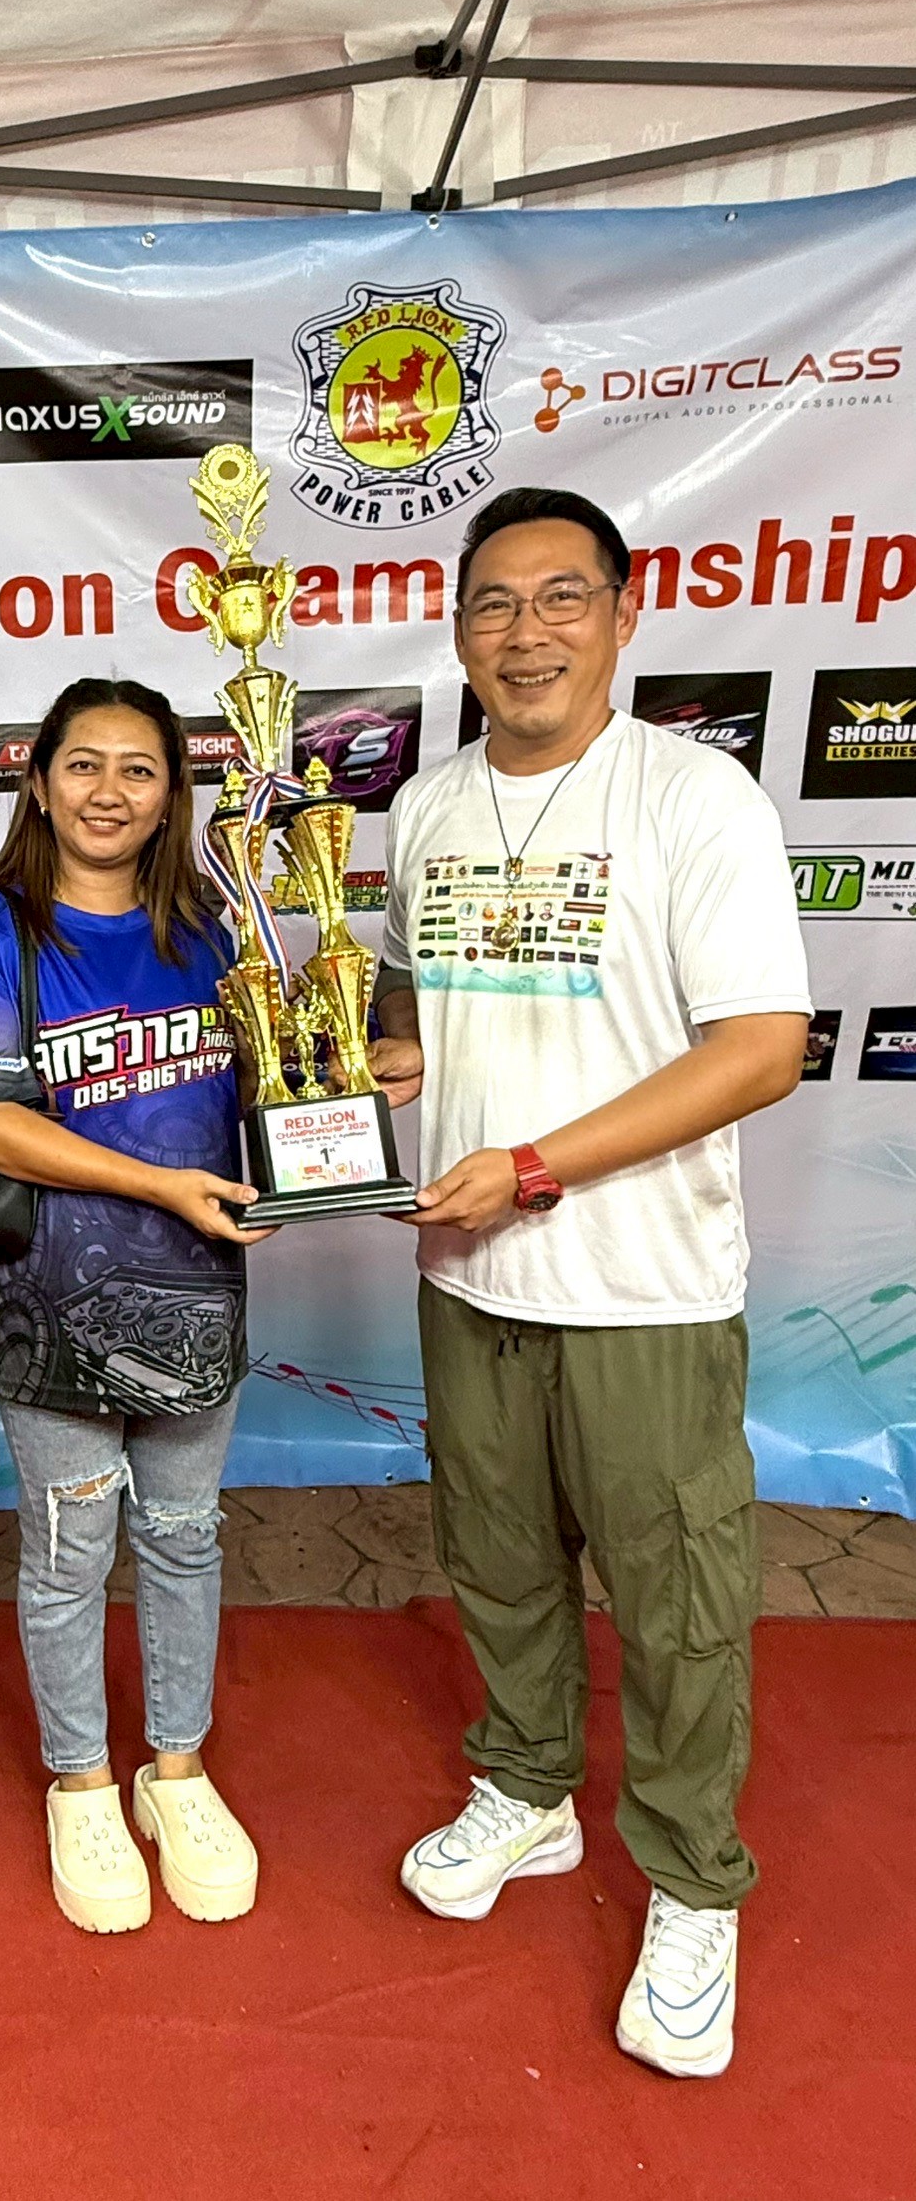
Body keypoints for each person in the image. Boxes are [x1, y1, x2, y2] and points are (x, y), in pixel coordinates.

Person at [371, 486, 809, 2080]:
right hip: (467, 1276)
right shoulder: (422, 807)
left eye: (561, 597)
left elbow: (759, 1050)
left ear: (624, 615)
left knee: (676, 1601)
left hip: (642, 1286)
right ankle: (527, 1786)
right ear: (457, 632)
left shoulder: (696, 798)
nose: (525, 632)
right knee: (495, 1561)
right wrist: (375, 1069)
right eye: (493, 603)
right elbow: (410, 1007)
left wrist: (535, 1163)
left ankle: (691, 1880)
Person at [0, 678, 268, 1937]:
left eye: (140, 769)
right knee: (71, 1556)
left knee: (184, 1540)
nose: (109, 791)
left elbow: (262, 1084)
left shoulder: (209, 930)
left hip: (197, 1296)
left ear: (172, 796)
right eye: (84, 764)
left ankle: (174, 1769)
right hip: (52, 1304)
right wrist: (158, 1185)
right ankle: (80, 1781)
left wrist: (349, 1088)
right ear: (38, 782)